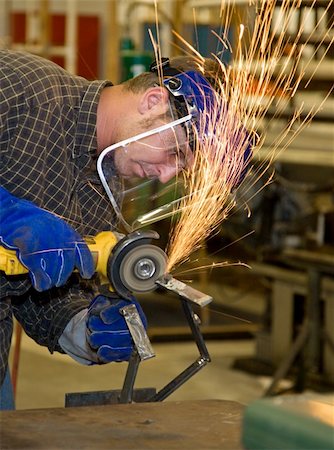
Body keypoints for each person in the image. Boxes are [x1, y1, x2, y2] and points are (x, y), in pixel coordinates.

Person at [0, 49, 223, 408]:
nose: (166, 175)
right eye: (175, 153)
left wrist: (81, 326)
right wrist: (3, 212)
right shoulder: (19, 86)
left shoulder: (104, 191)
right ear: (153, 102)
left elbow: (40, 292)